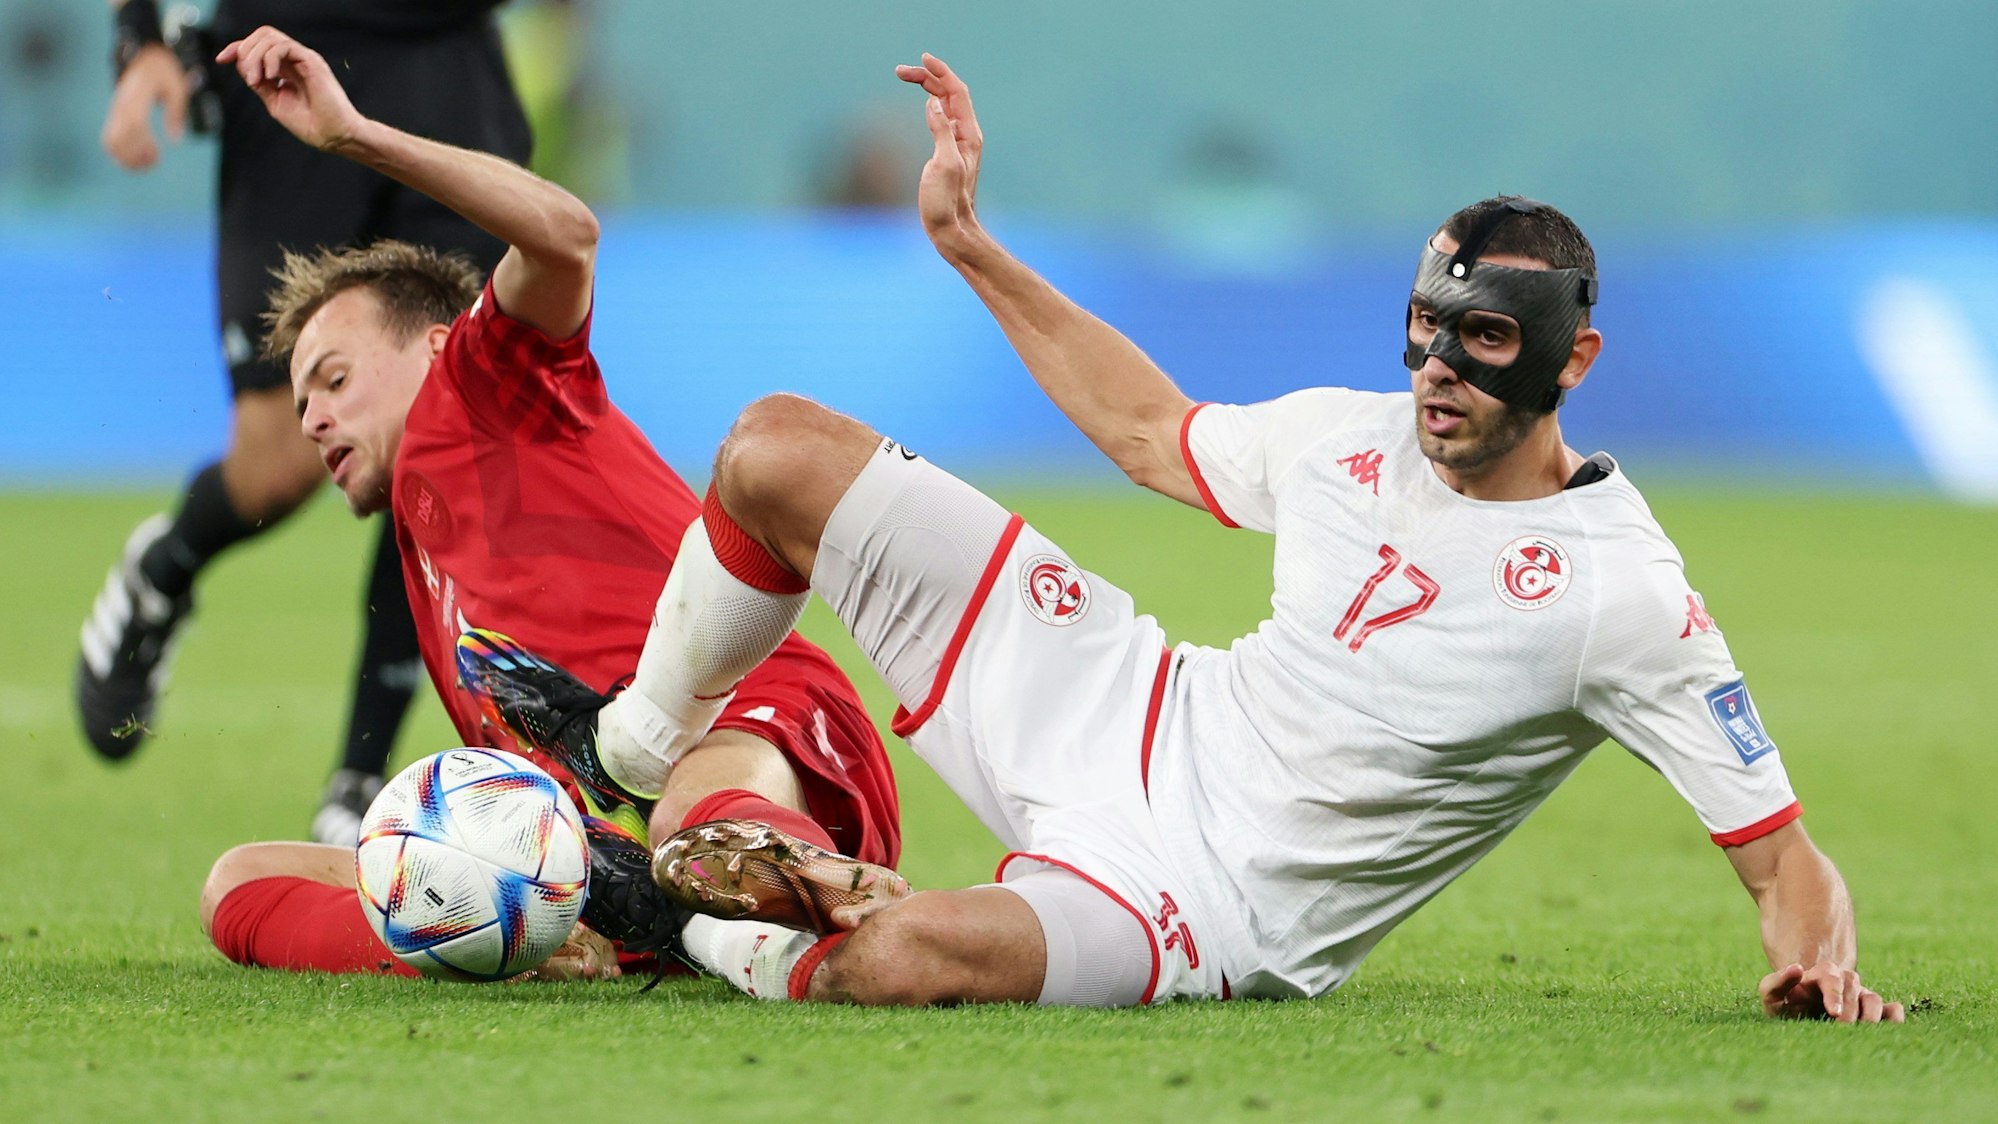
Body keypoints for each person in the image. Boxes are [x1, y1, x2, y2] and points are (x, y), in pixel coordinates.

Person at [478, 54, 1906, 1021]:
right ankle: (633, 753)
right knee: (776, 449)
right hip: (1129, 698)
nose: (1437, 372)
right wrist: (971, 247)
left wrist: (1818, 974)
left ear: (1569, 360)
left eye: (1482, 343)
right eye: (1425, 332)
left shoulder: (1623, 600)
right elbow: (1153, 433)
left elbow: (1782, 862)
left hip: (1205, 906)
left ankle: (674, 923)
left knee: (906, 955)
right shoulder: (1352, 434)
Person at [193, 26, 901, 980]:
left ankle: (809, 891)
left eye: (333, 377)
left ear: (440, 345)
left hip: (748, 716)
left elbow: (566, 233)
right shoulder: (426, 566)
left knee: (694, 809)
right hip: (596, 847)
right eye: (301, 399)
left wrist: (358, 137)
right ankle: (564, 936)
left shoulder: (489, 385)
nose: (313, 417)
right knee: (238, 881)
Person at [79, 0, 533, 845]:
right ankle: (164, 570)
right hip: (289, 54)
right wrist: (140, 41)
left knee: (439, 445)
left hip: (449, 73)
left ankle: (358, 785)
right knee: (279, 466)